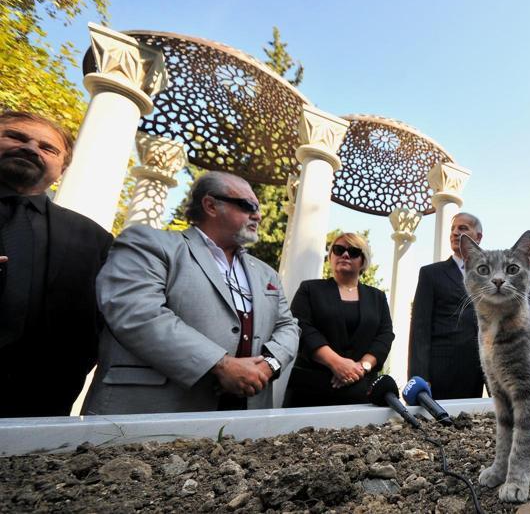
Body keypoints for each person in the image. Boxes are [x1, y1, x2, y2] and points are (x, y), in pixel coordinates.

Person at [83, 171, 299, 414]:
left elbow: (288, 326)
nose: (257, 215)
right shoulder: (149, 243)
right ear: (211, 205)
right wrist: (220, 364)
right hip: (151, 412)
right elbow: (136, 312)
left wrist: (270, 364)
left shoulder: (266, 273)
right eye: (248, 206)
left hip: (244, 414)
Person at [0, 111, 113, 417]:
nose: (30, 149)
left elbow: (101, 318)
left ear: (62, 168)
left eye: (47, 148)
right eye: (16, 137)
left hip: (39, 403)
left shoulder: (94, 237)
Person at [283, 232, 394, 407]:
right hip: (311, 389)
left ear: (363, 261)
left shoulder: (377, 297)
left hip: (361, 390)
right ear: (331, 256)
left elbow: (385, 335)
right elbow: (302, 327)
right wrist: (336, 363)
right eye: (339, 249)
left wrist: (360, 367)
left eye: (354, 252)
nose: (345, 254)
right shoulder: (309, 289)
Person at [408, 212, 485, 400]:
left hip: (479, 372)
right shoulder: (431, 274)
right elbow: (420, 329)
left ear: (478, 237)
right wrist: (419, 377)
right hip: (441, 373)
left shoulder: (491, 275)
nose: (455, 233)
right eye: (453, 229)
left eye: (462, 228)